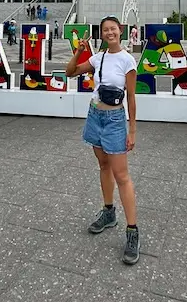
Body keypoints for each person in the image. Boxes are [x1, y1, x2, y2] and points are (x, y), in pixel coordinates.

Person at [66, 16, 140, 265]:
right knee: (104, 166)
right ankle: (109, 212)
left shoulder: (127, 61)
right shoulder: (98, 58)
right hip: (95, 116)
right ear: (102, 33)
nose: (109, 32)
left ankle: (132, 232)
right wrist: (78, 51)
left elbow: (131, 97)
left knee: (122, 176)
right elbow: (70, 72)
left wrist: (132, 130)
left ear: (120, 31)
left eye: (113, 29)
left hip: (115, 120)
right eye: (105, 30)